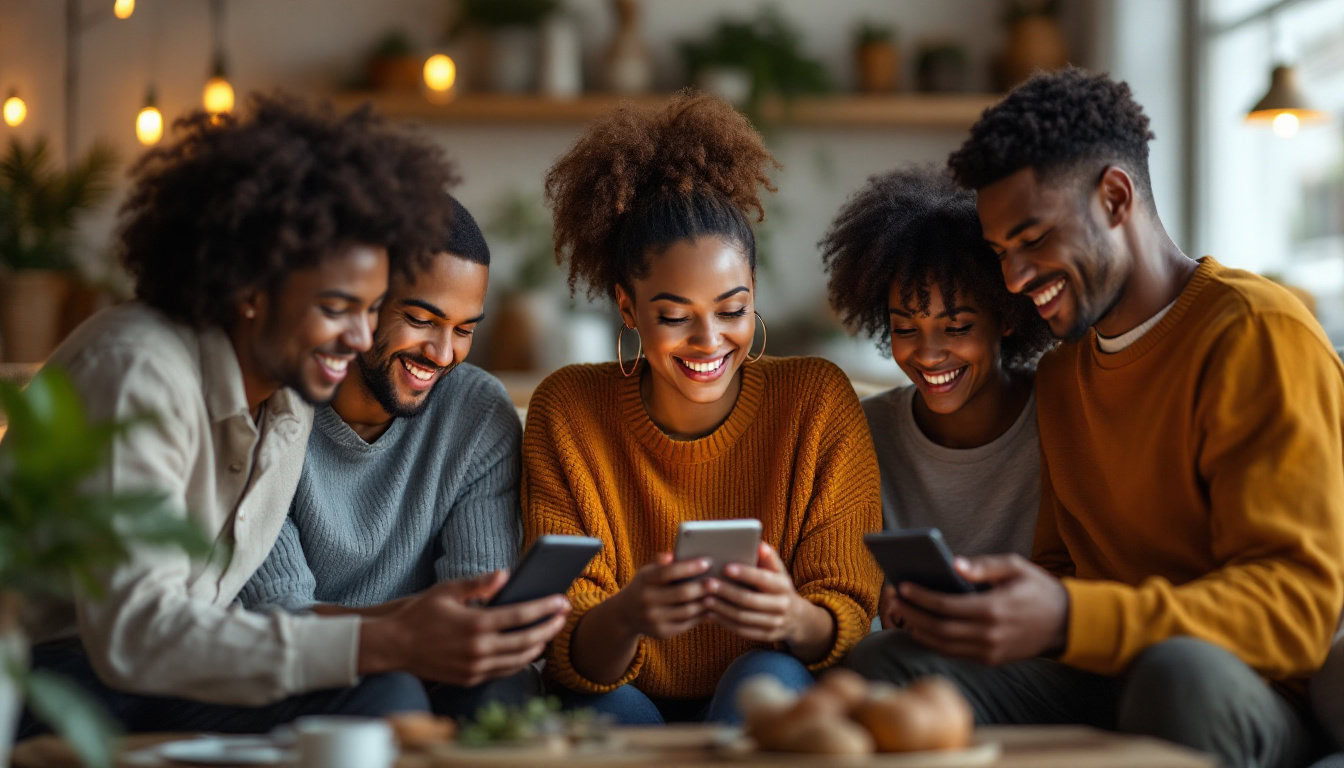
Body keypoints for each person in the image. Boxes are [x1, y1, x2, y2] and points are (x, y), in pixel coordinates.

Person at [844, 68, 1344, 768]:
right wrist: (982, 601)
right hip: (1096, 671)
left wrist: (1070, 616)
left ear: (1115, 196)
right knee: (888, 666)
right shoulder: (1063, 373)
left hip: (1245, 688)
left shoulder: (1256, 334)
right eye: (1000, 253)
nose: (1014, 279)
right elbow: (1059, 562)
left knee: (1177, 675)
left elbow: (1294, 610)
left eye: (1033, 238)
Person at [16, 95, 496, 737]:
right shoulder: (139, 369)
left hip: (166, 673)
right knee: (378, 687)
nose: (360, 339)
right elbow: (135, 634)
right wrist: (377, 642)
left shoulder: (287, 399)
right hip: (49, 675)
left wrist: (408, 622)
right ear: (251, 290)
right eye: (337, 307)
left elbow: (226, 627)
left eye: (373, 308)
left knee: (381, 693)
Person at [522, 93, 882, 724]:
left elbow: (847, 617)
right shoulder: (569, 410)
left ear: (754, 296)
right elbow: (566, 652)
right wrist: (628, 614)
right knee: (607, 713)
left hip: (769, 676)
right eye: (673, 316)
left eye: (732, 309)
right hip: (619, 692)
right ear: (627, 309)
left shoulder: (816, 401)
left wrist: (790, 615)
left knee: (761, 681)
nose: (710, 341)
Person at [240, 194, 564, 718]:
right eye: (420, 319)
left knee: (507, 691)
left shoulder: (476, 411)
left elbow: (475, 600)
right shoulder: (272, 403)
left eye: (464, 330)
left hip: (435, 670)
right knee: (391, 697)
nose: (442, 354)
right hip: (297, 669)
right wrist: (410, 628)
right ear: (362, 304)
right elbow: (277, 617)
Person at [819, 167, 1053, 630]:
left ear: (1006, 317)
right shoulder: (865, 433)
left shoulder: (1060, 417)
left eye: (957, 327)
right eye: (905, 328)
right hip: (909, 659)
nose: (928, 353)